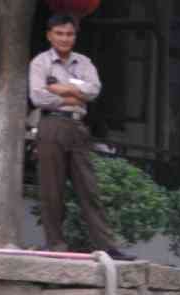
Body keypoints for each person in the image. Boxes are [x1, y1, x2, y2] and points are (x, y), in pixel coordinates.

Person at [29, 14, 133, 260]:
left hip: (78, 127)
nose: (65, 39)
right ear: (49, 35)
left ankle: (107, 246)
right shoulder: (40, 63)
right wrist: (75, 95)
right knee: (51, 189)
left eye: (70, 34)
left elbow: (94, 90)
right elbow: (37, 97)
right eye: (60, 33)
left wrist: (60, 89)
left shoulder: (83, 62)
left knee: (89, 187)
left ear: (75, 36)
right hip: (51, 124)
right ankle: (55, 243)